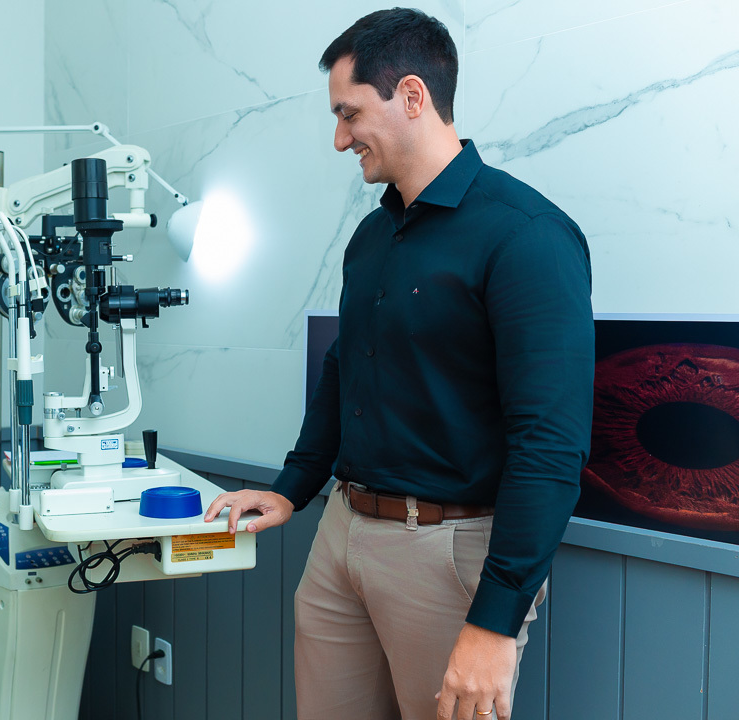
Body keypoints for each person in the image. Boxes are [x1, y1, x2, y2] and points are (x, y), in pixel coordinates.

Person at [204, 8, 594, 720]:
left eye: (349, 113)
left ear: (412, 95)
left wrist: (494, 621)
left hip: (449, 553)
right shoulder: (371, 237)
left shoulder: (527, 236)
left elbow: (550, 445)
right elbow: (344, 369)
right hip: (342, 533)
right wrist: (292, 488)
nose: (339, 138)